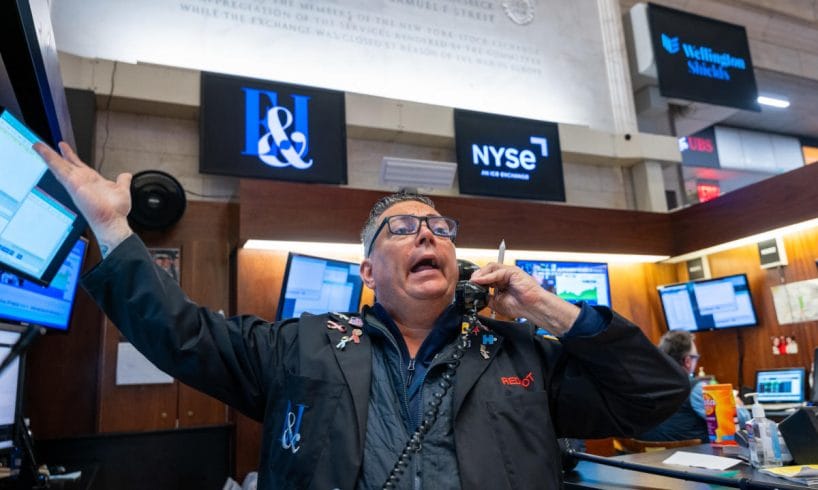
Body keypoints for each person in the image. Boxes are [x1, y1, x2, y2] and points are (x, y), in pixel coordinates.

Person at [35, 142, 690, 489]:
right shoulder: (302, 346)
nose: (428, 234)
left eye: (439, 228)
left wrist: (547, 308)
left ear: (459, 261)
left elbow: (658, 399)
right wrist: (111, 228)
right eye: (402, 229)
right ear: (368, 274)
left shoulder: (521, 354)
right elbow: (183, 336)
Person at [637, 330, 709, 443]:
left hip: (643, 453)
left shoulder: (641, 384)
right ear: (688, 361)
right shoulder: (696, 388)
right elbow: (729, 419)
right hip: (691, 452)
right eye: (695, 357)